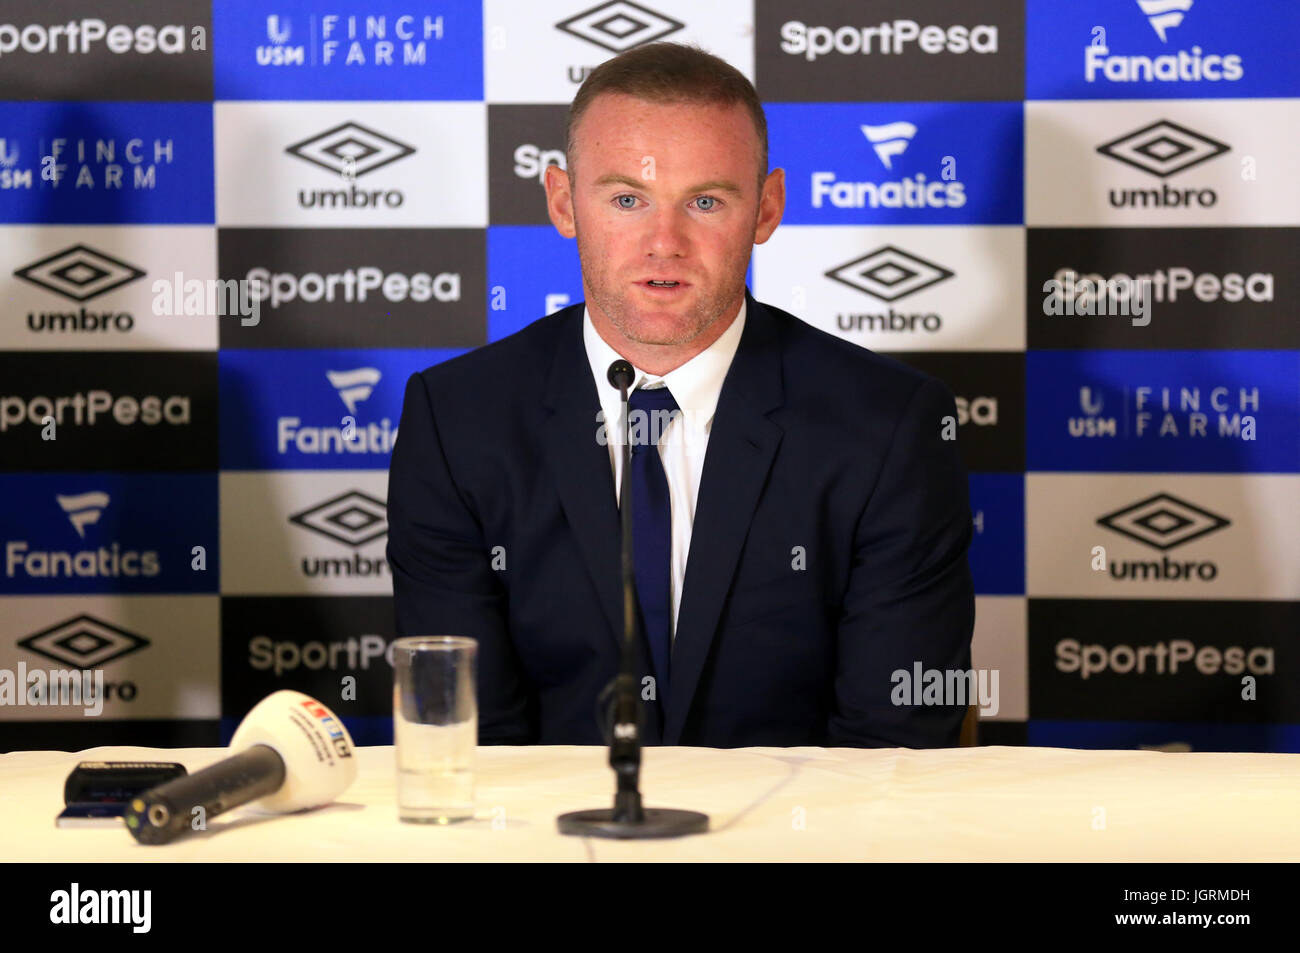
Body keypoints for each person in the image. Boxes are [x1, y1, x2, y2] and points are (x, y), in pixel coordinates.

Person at [387, 42, 974, 748]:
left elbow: (895, 748)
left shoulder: (890, 428)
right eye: (628, 199)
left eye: (704, 200)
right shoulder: (456, 421)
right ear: (564, 202)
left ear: (766, 209)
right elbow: (466, 741)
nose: (664, 243)